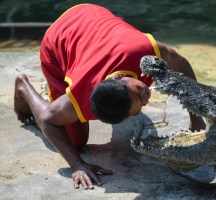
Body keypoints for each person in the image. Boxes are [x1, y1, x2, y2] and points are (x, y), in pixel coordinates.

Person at [14, 4, 205, 190]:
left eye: (139, 93)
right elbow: (48, 120)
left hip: (90, 14)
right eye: (140, 102)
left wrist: (196, 119)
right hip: (58, 39)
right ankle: (24, 87)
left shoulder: (144, 52)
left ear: (121, 78)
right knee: (75, 143)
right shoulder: (79, 97)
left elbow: (183, 66)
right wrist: (76, 165)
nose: (146, 97)